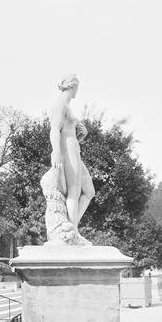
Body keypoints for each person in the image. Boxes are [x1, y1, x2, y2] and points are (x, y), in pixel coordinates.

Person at [49, 74, 95, 242]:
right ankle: (72, 232)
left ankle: (72, 227)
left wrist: (81, 133)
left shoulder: (67, 105)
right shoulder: (60, 103)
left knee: (89, 191)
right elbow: (54, 129)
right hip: (66, 149)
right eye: (77, 87)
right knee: (74, 191)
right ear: (72, 86)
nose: (78, 90)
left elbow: (69, 130)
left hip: (74, 147)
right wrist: (56, 152)